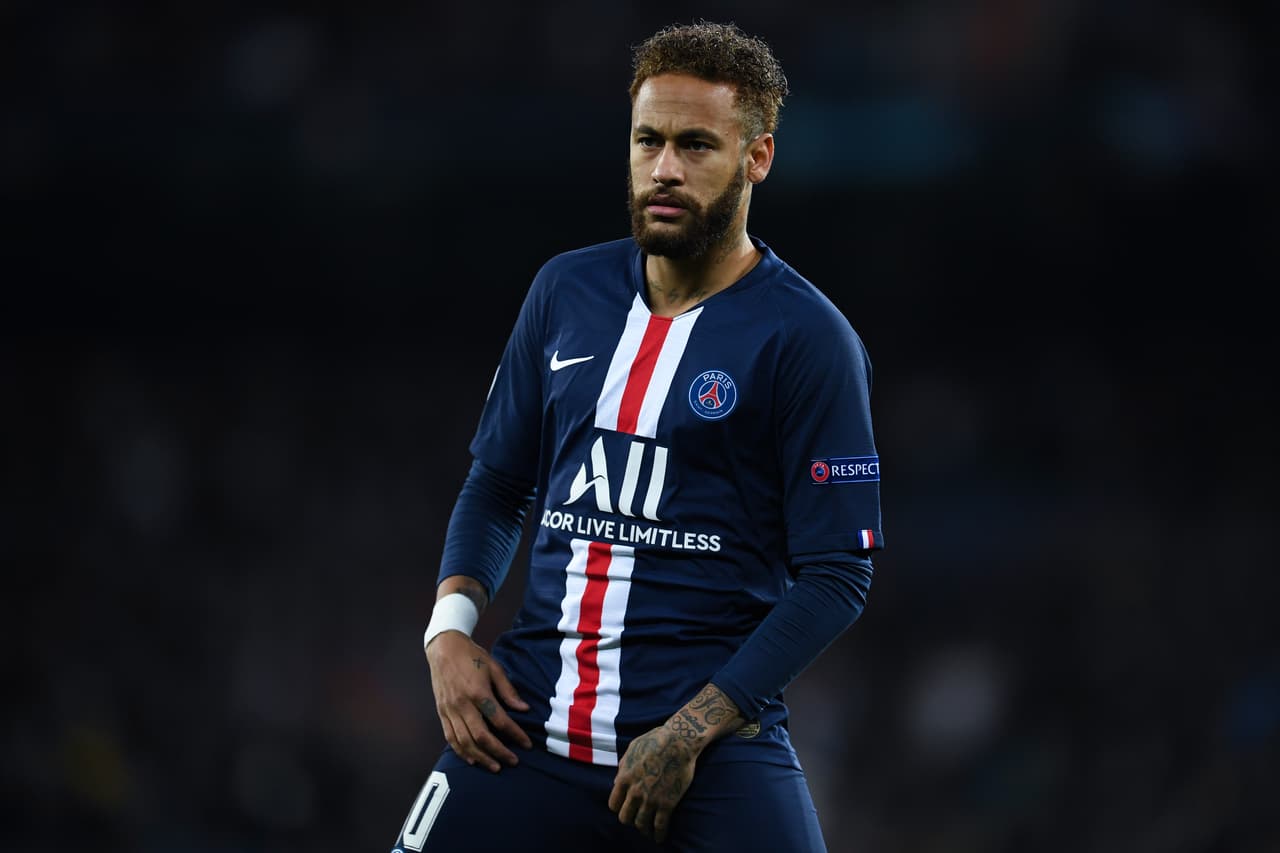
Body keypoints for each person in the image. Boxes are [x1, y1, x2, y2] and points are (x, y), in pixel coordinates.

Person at [392, 21, 883, 853]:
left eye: (696, 145)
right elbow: (498, 482)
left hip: (712, 755)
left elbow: (839, 572)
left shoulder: (807, 338)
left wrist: (690, 731)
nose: (664, 169)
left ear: (757, 156)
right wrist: (447, 633)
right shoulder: (564, 290)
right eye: (648, 140)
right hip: (527, 731)